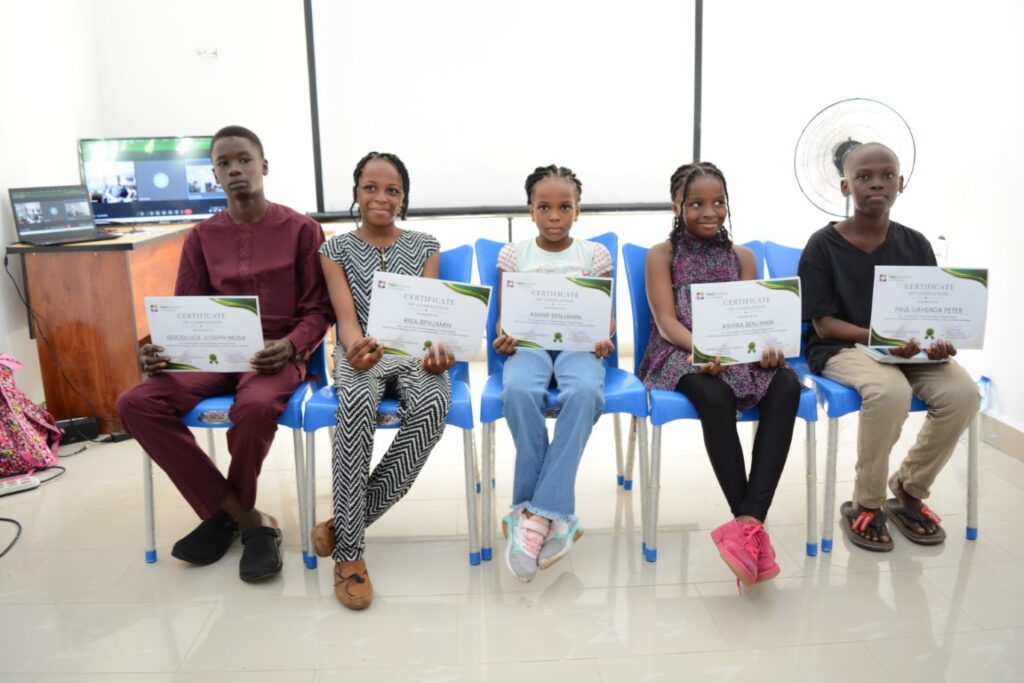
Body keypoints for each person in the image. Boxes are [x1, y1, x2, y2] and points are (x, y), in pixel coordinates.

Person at [117, 125, 332, 582]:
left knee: (254, 408)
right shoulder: (201, 237)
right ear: (214, 174)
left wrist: (290, 346)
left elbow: (319, 309)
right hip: (212, 353)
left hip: (274, 354)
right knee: (135, 403)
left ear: (264, 166)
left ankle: (225, 516)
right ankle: (249, 519)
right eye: (223, 163)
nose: (235, 169)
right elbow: (185, 310)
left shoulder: (302, 229)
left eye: (244, 159)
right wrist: (159, 351)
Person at [798, 142, 979, 552]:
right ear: (845, 186)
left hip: (908, 352)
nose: (876, 183)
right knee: (889, 391)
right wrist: (881, 341)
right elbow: (824, 324)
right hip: (842, 347)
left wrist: (937, 343)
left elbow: (930, 315)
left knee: (964, 393)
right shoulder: (822, 245)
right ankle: (866, 501)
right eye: (864, 177)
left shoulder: (915, 244)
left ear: (901, 183)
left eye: (886, 175)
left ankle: (910, 488)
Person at [637, 161, 800, 586]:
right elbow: (665, 320)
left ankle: (747, 523)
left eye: (718, 202)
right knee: (714, 396)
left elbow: (752, 318)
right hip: (680, 351)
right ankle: (749, 526)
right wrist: (702, 350)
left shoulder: (743, 257)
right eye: (696, 203)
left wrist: (766, 349)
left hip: (735, 353)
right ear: (676, 205)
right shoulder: (662, 255)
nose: (710, 212)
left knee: (786, 382)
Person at [311, 152, 454, 610]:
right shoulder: (334, 250)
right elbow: (345, 318)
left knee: (434, 404)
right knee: (355, 405)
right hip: (360, 352)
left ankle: (343, 527)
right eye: (370, 187)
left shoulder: (426, 245)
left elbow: (428, 315)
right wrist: (355, 349)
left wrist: (435, 353)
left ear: (403, 198)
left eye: (392, 190)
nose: (381, 197)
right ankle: (349, 556)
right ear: (356, 192)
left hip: (414, 355)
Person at [494, 165, 613, 583]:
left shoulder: (595, 255)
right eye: (544, 207)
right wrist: (504, 336)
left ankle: (533, 514)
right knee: (518, 390)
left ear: (578, 210)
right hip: (529, 344)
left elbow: (606, 318)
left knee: (585, 393)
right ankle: (555, 514)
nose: (555, 216)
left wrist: (603, 337)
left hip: (579, 345)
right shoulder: (514, 255)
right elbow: (505, 319)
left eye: (565, 207)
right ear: (530, 209)